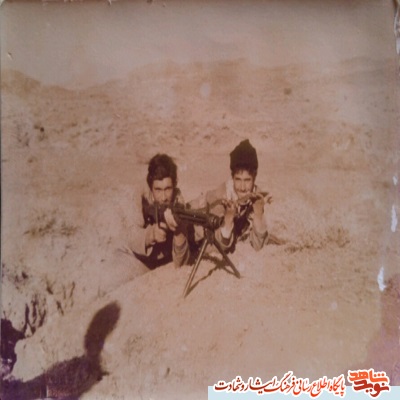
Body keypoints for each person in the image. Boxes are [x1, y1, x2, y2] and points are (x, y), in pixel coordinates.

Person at [190, 139, 269, 252]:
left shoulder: (254, 197)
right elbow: (216, 246)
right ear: (232, 177)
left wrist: (258, 214)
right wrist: (228, 220)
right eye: (238, 180)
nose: (242, 187)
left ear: (254, 178)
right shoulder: (221, 198)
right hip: (191, 226)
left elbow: (258, 245)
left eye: (247, 180)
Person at [118, 153, 190, 271]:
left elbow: (181, 264)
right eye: (158, 190)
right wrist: (151, 235)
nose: (163, 197)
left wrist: (179, 231)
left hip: (164, 258)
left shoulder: (178, 201)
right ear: (150, 187)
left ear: (174, 186)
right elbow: (131, 236)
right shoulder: (139, 196)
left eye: (168, 189)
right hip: (136, 256)